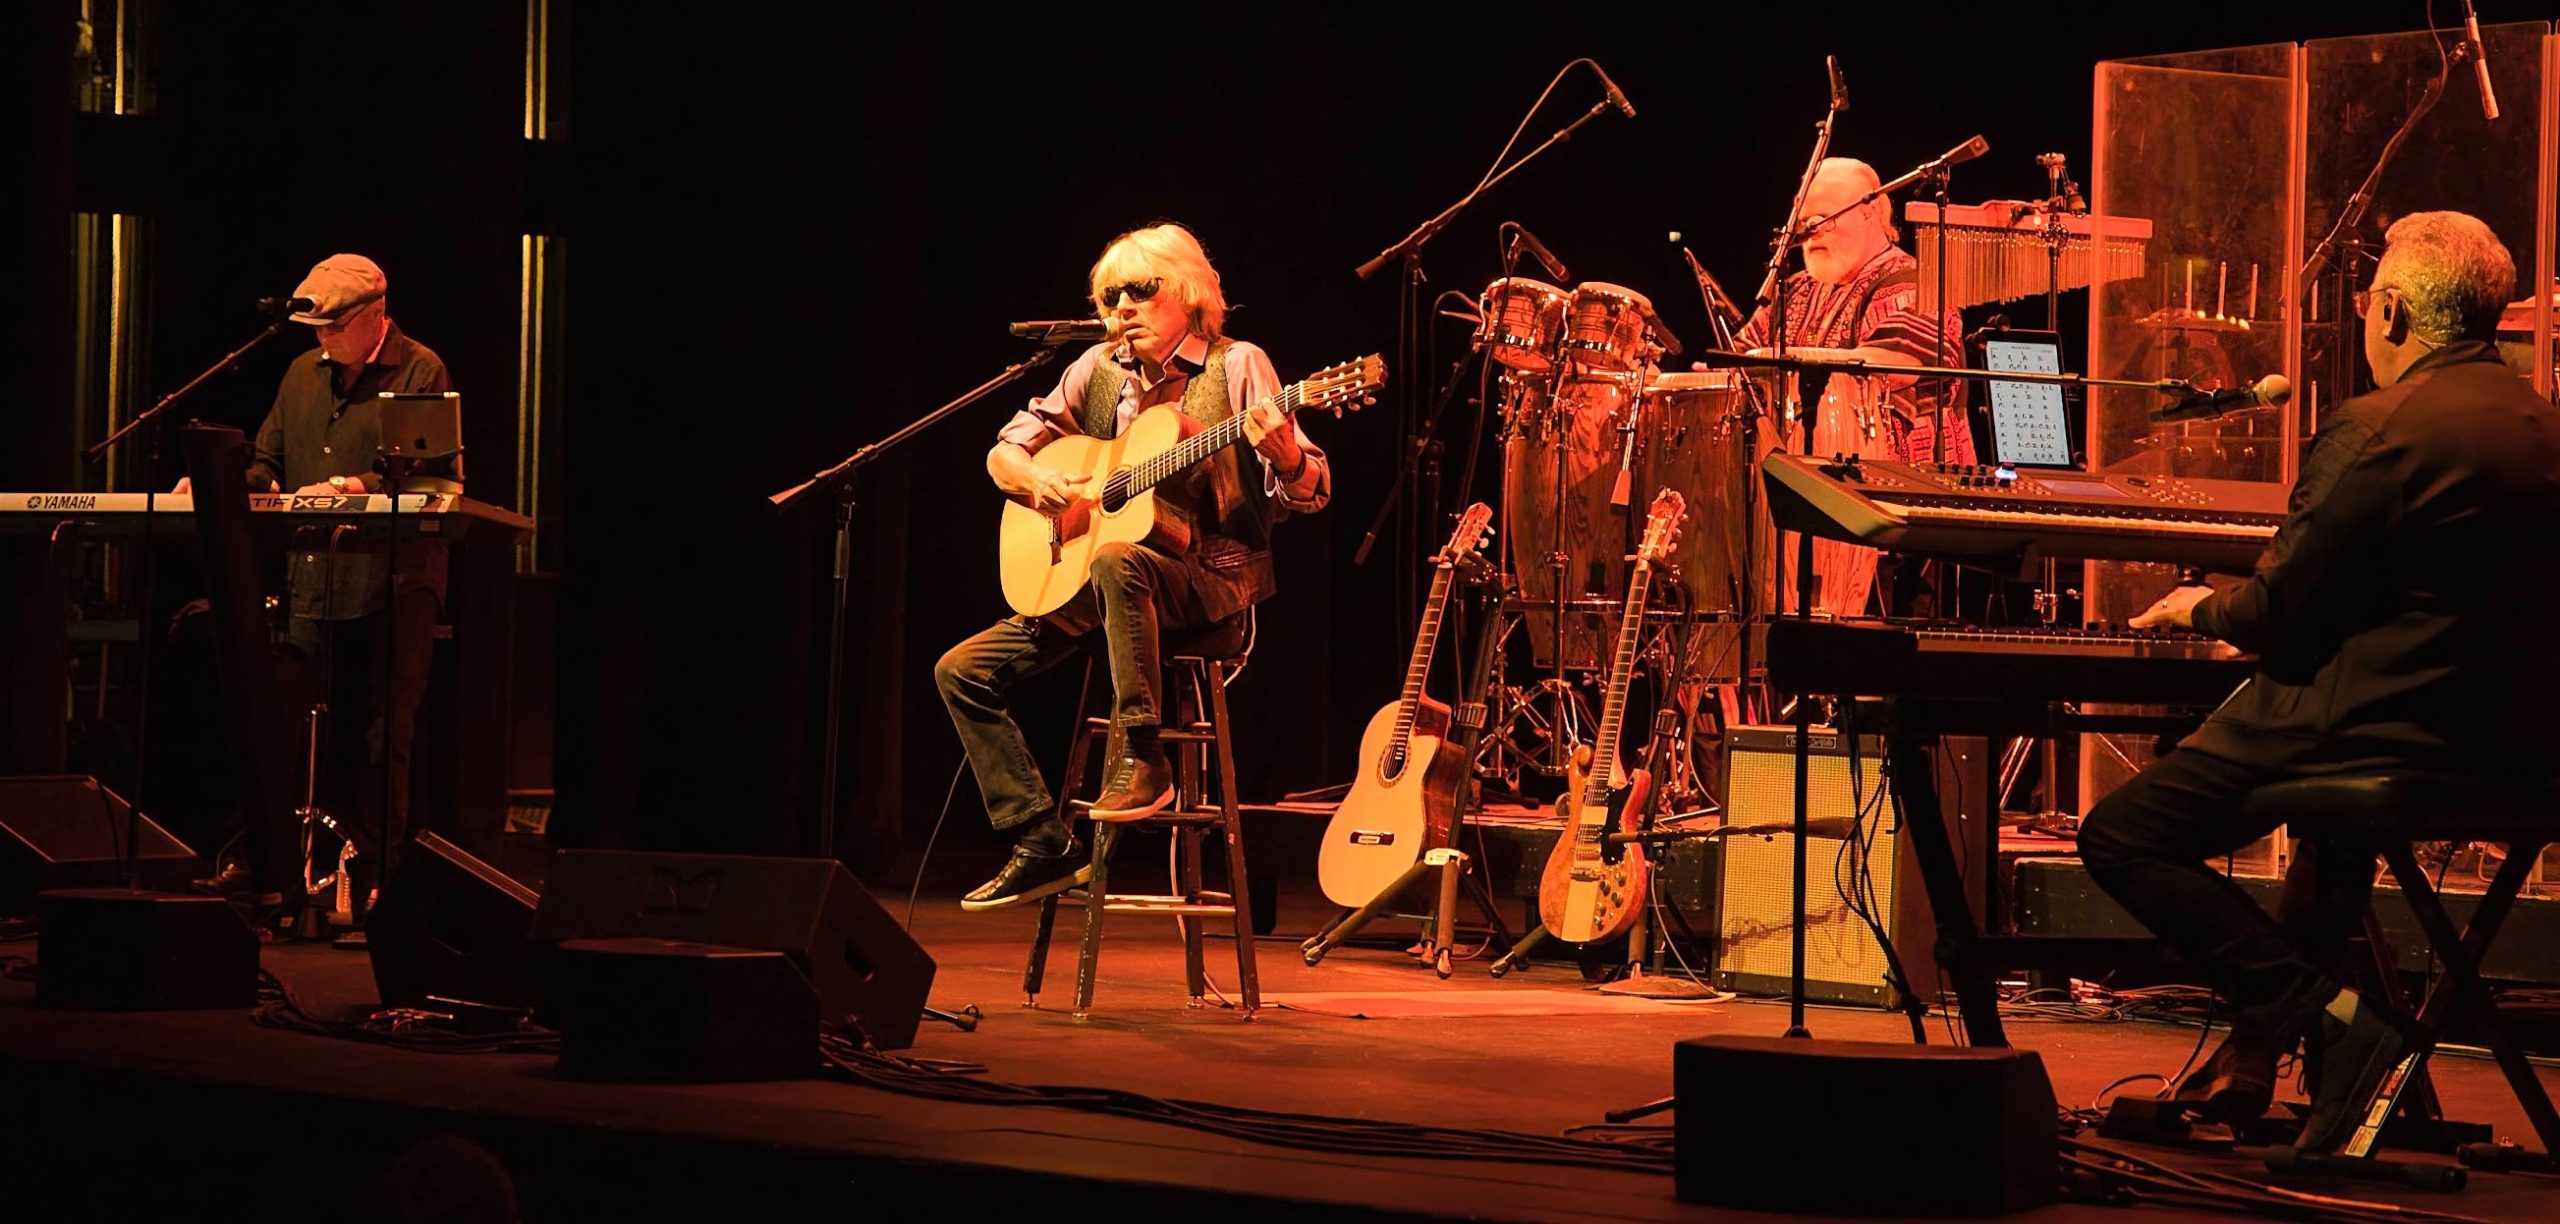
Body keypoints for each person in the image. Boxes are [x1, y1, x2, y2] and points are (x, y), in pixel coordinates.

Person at [2079, 212, 2560, 1151]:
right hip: (2512, 751)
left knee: (2122, 835)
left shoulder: (2376, 429)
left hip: (2371, 726)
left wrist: (2199, 609)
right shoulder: (2546, 432)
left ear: (2392, 313)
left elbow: (2276, 614)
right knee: (2331, 839)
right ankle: (2256, 1057)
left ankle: (2332, 1019)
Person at [936, 223, 1329, 911]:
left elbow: (1313, 490)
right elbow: (1003, 453)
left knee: (1120, 559)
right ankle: (1042, 840)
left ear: (1188, 292)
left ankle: (1145, 756)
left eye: (1141, 290)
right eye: (1110, 296)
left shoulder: (1238, 365)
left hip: (1205, 586)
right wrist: (1036, 481)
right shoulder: (1094, 369)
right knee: (961, 671)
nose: (1122, 306)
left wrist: (1288, 455)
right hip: (1100, 592)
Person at [182, 253, 456, 922]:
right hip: (313, 578)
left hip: (392, 582)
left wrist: (355, 485)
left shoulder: (420, 369)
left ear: (374, 316)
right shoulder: (302, 374)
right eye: (318, 329)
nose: (324, 340)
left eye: (335, 327)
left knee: (380, 734)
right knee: (278, 724)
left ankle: (378, 880)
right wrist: (217, 484)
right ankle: (267, 865)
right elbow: (268, 465)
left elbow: (432, 475)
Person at [1737, 157, 1975, 616]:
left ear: (1869, 213)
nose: (1811, 233)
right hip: (1809, 503)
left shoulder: (1915, 283)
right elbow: (1742, 359)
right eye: (1804, 223)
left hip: (1899, 517)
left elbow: (1895, 364)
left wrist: (1785, 363)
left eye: (1824, 219)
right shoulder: (1796, 290)